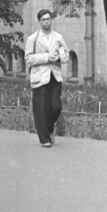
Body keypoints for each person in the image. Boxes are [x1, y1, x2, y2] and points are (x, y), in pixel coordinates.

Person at [25, 9, 69, 147]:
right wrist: (45, 57)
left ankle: (50, 127)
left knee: (56, 106)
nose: (46, 22)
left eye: (48, 19)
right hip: (39, 77)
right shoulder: (33, 39)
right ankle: (44, 139)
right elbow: (28, 58)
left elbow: (66, 55)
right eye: (43, 19)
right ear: (39, 21)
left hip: (55, 76)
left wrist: (58, 58)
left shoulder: (58, 38)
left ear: (51, 20)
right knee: (41, 108)